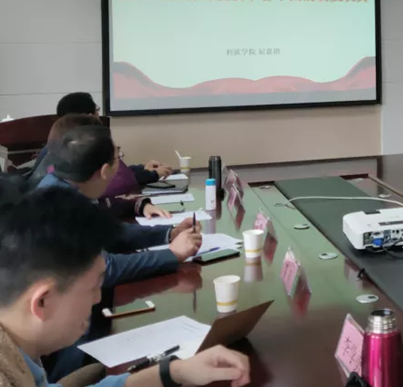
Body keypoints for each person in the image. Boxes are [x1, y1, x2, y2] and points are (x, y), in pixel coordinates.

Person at [0, 187, 250, 387]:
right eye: (94, 287)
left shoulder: (17, 352)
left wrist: (176, 371)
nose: (98, 298)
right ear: (42, 301)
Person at [37, 125, 202, 287]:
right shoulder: (62, 207)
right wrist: (173, 254)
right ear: (104, 171)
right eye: (118, 158)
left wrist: (170, 233)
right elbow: (104, 270)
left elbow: (111, 232)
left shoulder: (62, 186)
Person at [54, 93, 173, 185]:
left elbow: (114, 173)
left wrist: (142, 168)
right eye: (97, 110)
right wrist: (152, 175)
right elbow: (114, 183)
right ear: (91, 117)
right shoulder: (84, 146)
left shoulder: (62, 144)